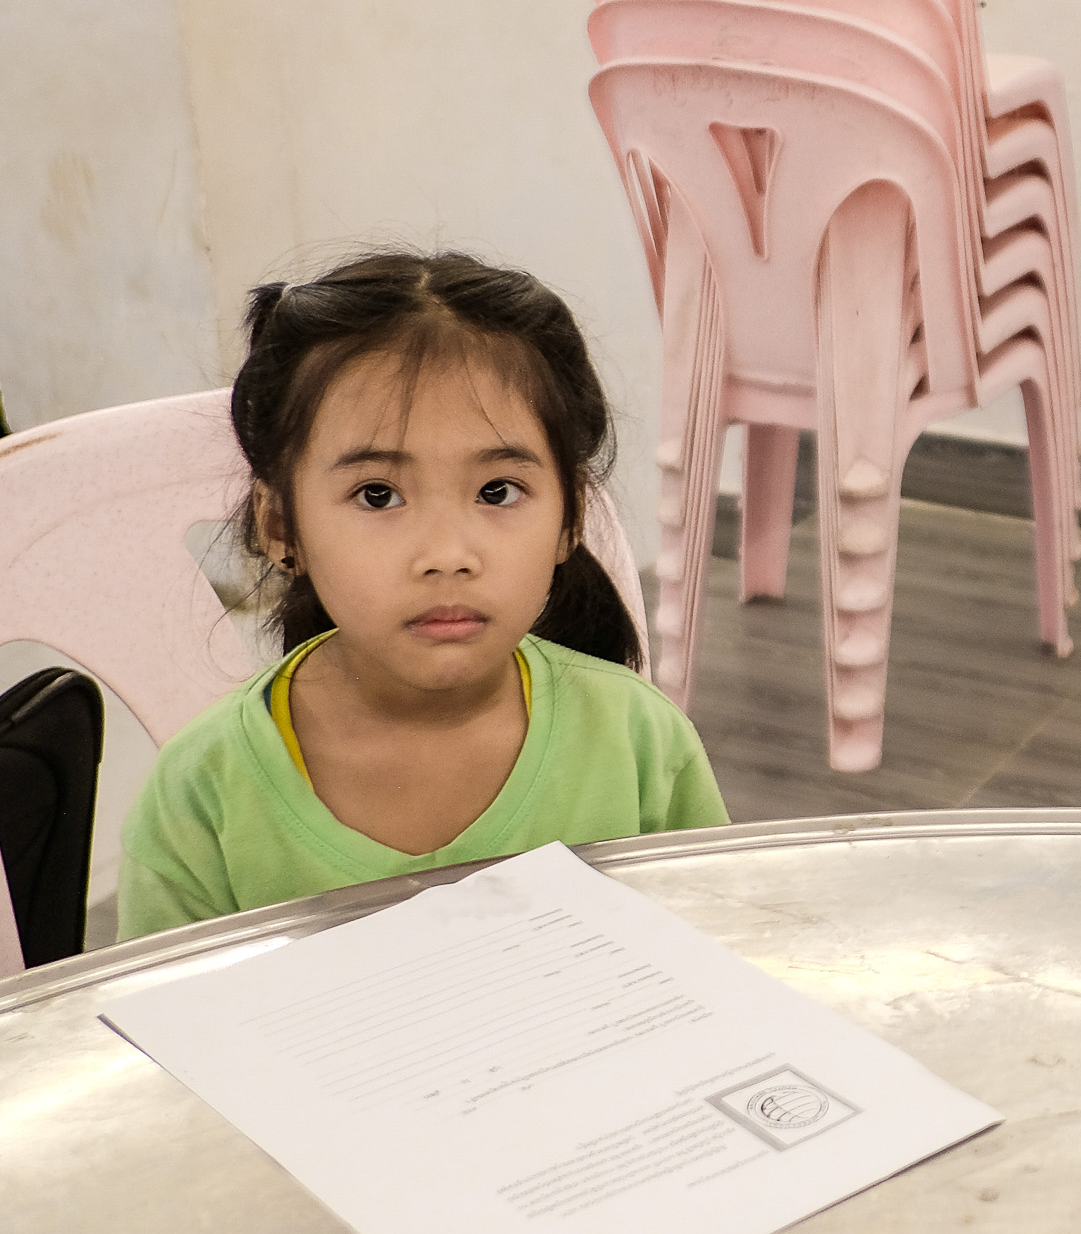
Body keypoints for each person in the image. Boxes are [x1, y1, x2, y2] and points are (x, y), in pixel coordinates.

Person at [118, 251, 728, 938]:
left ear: (571, 519)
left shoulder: (640, 745)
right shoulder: (202, 797)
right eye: (378, 495)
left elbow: (717, 959)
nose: (446, 556)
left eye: (498, 491)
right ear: (281, 525)